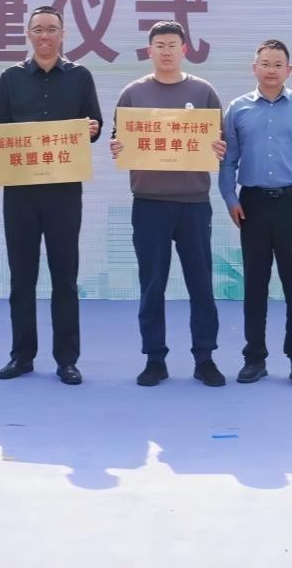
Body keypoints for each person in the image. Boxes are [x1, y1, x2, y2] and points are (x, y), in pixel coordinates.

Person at [0, 5, 102, 385]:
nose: (45, 35)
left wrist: (93, 128)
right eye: (38, 29)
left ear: (63, 34)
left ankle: (67, 359)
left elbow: (95, 125)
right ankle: (22, 355)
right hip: (20, 192)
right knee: (22, 278)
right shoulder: (11, 78)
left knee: (65, 277)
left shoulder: (80, 77)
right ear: (28, 34)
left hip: (64, 192)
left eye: (52, 29)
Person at [109, 22, 227, 387]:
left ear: (184, 50)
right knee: (152, 285)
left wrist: (219, 148)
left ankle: (205, 358)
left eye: (172, 44)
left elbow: (220, 140)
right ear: (149, 51)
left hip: (193, 203)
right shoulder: (133, 94)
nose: (166, 51)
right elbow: (118, 139)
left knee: (200, 284)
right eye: (159, 45)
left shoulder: (203, 91)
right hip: (149, 202)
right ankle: (154, 359)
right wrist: (117, 147)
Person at [217, 38, 292, 388]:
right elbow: (228, 159)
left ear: (288, 70)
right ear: (254, 68)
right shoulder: (237, 109)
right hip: (251, 205)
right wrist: (229, 198)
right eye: (265, 63)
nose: (271, 70)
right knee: (255, 285)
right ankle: (254, 358)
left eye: (277, 64)